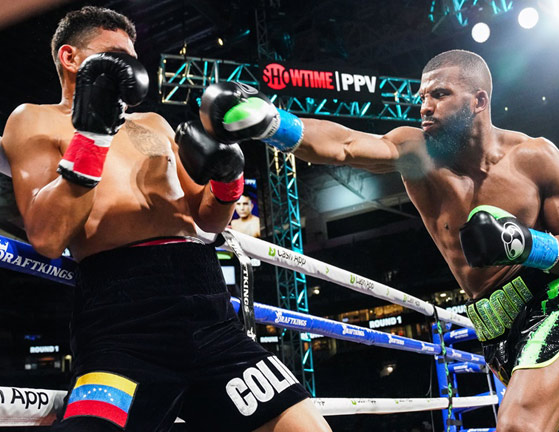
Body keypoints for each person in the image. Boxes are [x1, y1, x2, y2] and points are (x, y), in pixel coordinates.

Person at [199, 50, 559, 431]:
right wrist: (273, 122)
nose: (425, 106)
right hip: (493, 323)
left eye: (439, 94)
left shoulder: (535, 157)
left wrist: (526, 244)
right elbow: (345, 146)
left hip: (553, 300)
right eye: (422, 96)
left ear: (479, 101)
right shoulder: (417, 152)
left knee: (519, 424)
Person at [1, 6, 331, 432]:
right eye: (115, 55)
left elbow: (208, 222)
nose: (129, 67)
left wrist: (229, 179)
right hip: (121, 323)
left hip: (208, 310)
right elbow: (47, 237)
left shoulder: (153, 123)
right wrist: (93, 136)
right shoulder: (33, 119)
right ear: (70, 58)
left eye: (132, 57)